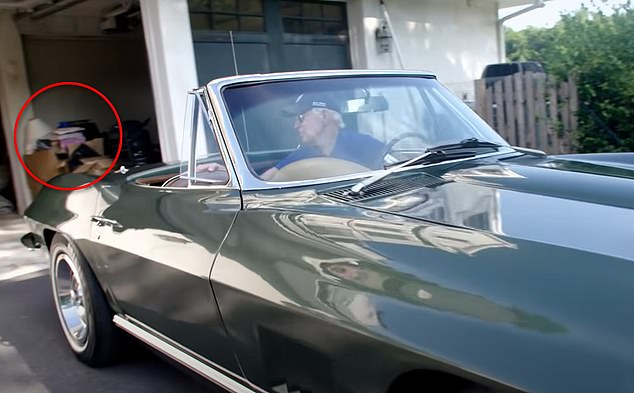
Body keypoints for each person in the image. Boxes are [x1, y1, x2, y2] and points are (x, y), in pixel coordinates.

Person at [198, 93, 385, 181]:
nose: (296, 125)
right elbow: (264, 181)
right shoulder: (302, 155)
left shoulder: (366, 145)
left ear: (325, 116)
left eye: (301, 117)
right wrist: (224, 172)